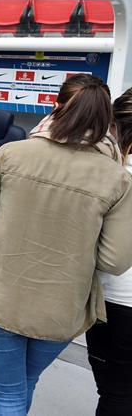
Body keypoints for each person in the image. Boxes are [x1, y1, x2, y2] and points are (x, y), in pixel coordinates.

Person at [0, 74, 132, 415]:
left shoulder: (12, 154)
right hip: (61, 310)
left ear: (55, 107)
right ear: (105, 121)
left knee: (9, 396)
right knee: (26, 384)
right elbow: (114, 261)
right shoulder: (117, 177)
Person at [86, 86, 132, 416]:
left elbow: (110, 259)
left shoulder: (116, 178)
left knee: (116, 393)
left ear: (115, 127)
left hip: (117, 302)